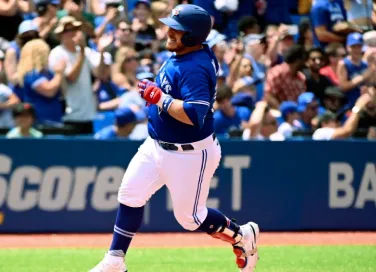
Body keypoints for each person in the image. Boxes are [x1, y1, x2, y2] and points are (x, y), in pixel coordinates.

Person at [90, 4, 259, 272]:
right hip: (156, 144)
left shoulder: (194, 66)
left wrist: (161, 98)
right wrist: (158, 93)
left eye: (176, 29)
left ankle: (242, 235)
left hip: (189, 153)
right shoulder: (183, 54)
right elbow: (171, 95)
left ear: (192, 36)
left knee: (191, 218)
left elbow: (194, 114)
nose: (168, 31)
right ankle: (114, 261)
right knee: (130, 194)